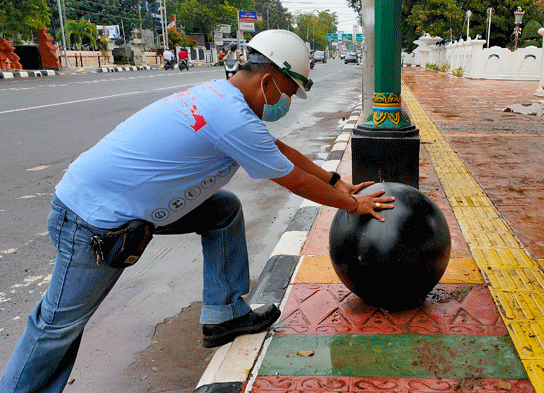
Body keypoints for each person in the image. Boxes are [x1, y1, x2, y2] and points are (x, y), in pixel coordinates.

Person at [0, 29, 393, 393]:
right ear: (268, 80)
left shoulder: (221, 99)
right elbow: (291, 179)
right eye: (289, 91)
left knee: (222, 210)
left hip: (122, 207)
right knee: (58, 326)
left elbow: (279, 151)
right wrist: (352, 203)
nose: (286, 102)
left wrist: (334, 180)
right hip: (93, 220)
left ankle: (224, 314)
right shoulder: (232, 117)